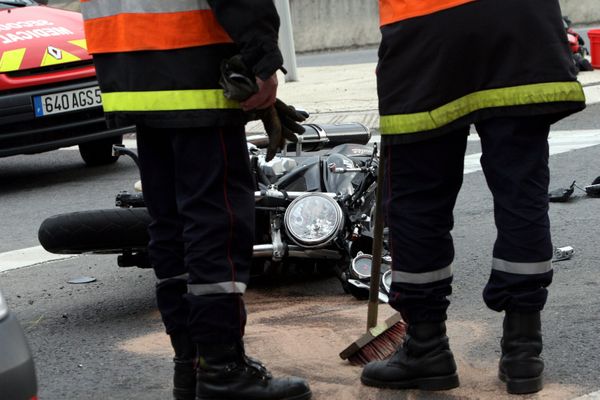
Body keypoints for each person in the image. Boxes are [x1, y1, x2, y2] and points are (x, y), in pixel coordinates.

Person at [79, 1, 311, 400]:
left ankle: (191, 366)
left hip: (131, 70)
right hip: (192, 64)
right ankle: (222, 369)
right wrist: (261, 57)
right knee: (214, 222)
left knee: (170, 225)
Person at [361, 0, 586, 395]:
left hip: (427, 30)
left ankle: (427, 346)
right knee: (522, 190)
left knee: (418, 196)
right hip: (521, 21)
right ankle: (523, 351)